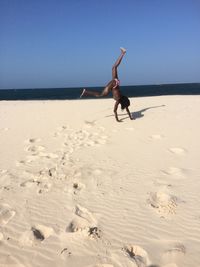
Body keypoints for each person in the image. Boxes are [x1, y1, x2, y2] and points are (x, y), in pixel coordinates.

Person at [80, 47, 133, 122]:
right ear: (122, 102)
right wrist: (117, 119)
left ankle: (122, 53)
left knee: (114, 67)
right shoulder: (118, 99)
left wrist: (131, 117)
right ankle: (86, 91)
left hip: (116, 82)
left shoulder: (122, 97)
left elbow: (127, 109)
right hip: (114, 84)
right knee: (100, 95)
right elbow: (115, 110)